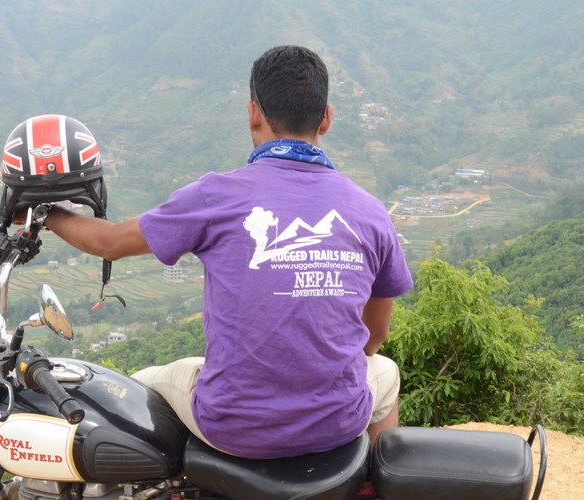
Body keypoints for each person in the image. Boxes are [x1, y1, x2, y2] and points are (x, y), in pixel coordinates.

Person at [29, 45, 413, 459]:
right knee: (385, 372)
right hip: (339, 421)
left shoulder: (217, 195)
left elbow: (110, 242)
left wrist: (44, 212)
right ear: (327, 118)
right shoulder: (371, 212)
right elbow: (375, 336)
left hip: (233, 426)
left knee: (138, 382)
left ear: (253, 113)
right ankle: (368, 482)